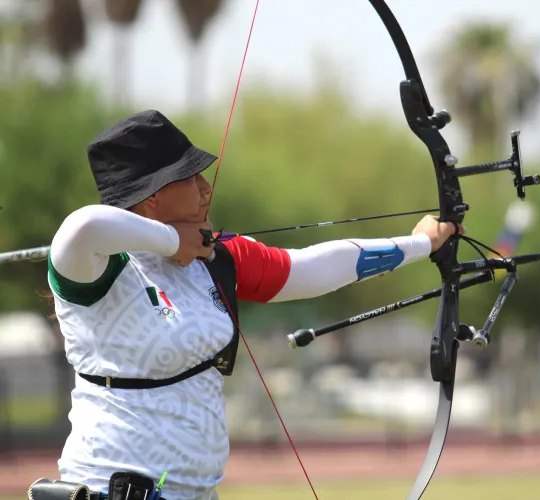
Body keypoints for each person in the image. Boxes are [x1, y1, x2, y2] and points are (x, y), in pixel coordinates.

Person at [31, 110, 464, 500]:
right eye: (188, 178)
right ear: (152, 197)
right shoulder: (93, 268)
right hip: (111, 491)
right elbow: (82, 225)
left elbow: (312, 268)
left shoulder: (214, 258)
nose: (205, 189)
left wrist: (420, 243)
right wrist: (172, 240)